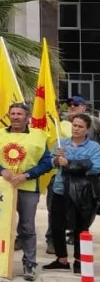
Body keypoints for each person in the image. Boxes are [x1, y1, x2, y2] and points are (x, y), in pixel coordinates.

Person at [0, 103, 54, 281]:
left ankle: (29, 263)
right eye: (13, 113)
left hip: (28, 187)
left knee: (27, 227)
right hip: (2, 187)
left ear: (27, 116)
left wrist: (28, 175)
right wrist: (0, 170)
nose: (15, 117)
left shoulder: (39, 137)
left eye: (19, 114)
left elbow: (47, 163)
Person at [45, 114, 100, 273]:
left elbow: (96, 167)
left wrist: (70, 162)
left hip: (82, 192)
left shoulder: (94, 147)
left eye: (80, 126)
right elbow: (50, 161)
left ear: (87, 129)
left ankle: (79, 260)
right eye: (74, 125)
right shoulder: (61, 143)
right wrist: (57, 160)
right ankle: (61, 259)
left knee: (80, 226)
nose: (76, 129)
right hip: (60, 189)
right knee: (56, 224)